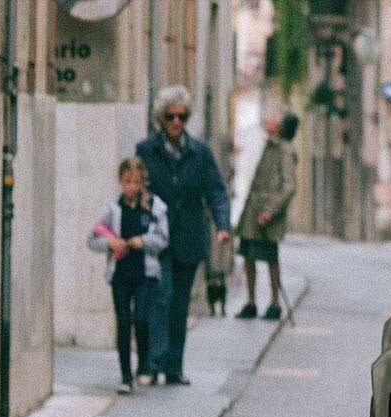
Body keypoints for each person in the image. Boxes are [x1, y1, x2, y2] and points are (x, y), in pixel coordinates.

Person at [136, 85, 232, 385]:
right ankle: (154, 362)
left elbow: (216, 191)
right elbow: (136, 188)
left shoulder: (200, 152)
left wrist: (222, 226)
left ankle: (174, 367)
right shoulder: (146, 151)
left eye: (182, 116)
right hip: (158, 238)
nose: (176, 122)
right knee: (161, 298)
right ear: (160, 119)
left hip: (189, 238)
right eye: (170, 116)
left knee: (180, 304)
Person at [88, 158, 169, 394]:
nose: (131, 187)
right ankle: (125, 375)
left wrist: (142, 241)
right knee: (123, 322)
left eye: (136, 182)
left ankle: (143, 363)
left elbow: (163, 239)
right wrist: (110, 243)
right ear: (120, 182)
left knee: (141, 318)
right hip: (120, 273)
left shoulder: (154, 207)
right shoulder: (112, 209)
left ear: (142, 182)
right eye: (127, 182)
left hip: (145, 273)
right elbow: (92, 239)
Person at [235, 110, 298, 321]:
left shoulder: (284, 150)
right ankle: (251, 302)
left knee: (271, 258)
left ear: (279, 126)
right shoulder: (263, 144)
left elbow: (289, 186)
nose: (267, 120)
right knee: (248, 255)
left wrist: (270, 210)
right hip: (252, 209)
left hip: (266, 213)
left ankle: (274, 303)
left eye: (273, 118)